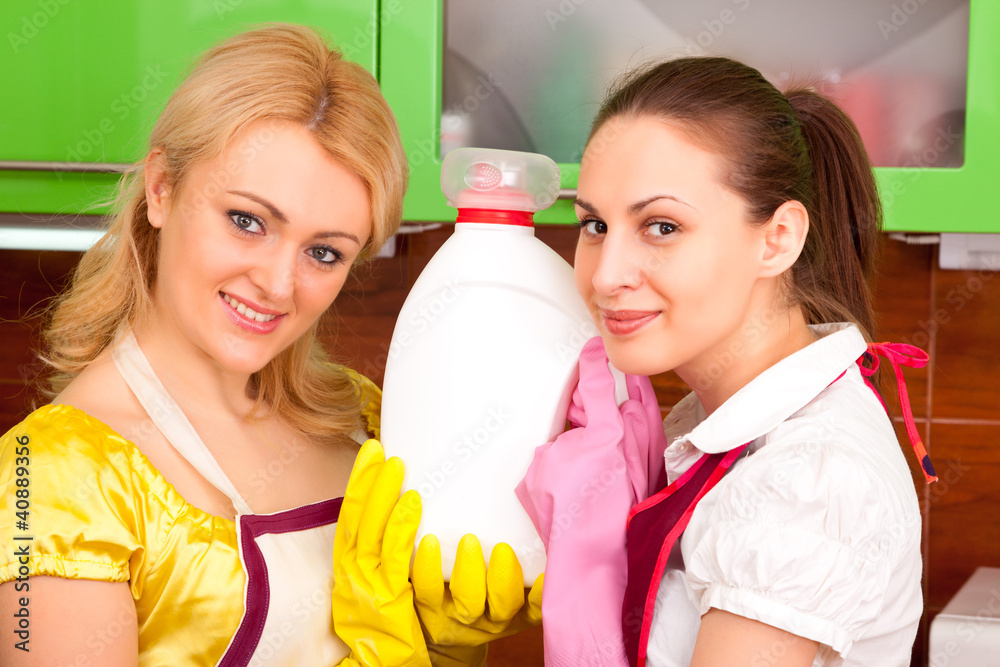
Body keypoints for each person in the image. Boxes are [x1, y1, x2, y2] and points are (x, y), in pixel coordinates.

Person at [0, 24, 536, 666]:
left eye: (324, 252)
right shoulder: (52, 478)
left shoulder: (368, 419)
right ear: (162, 188)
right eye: (247, 221)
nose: (279, 284)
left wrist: (444, 647)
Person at [520, 56, 934, 667]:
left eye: (662, 226)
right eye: (596, 224)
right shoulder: (712, 422)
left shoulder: (809, 483)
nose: (606, 276)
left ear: (777, 239)